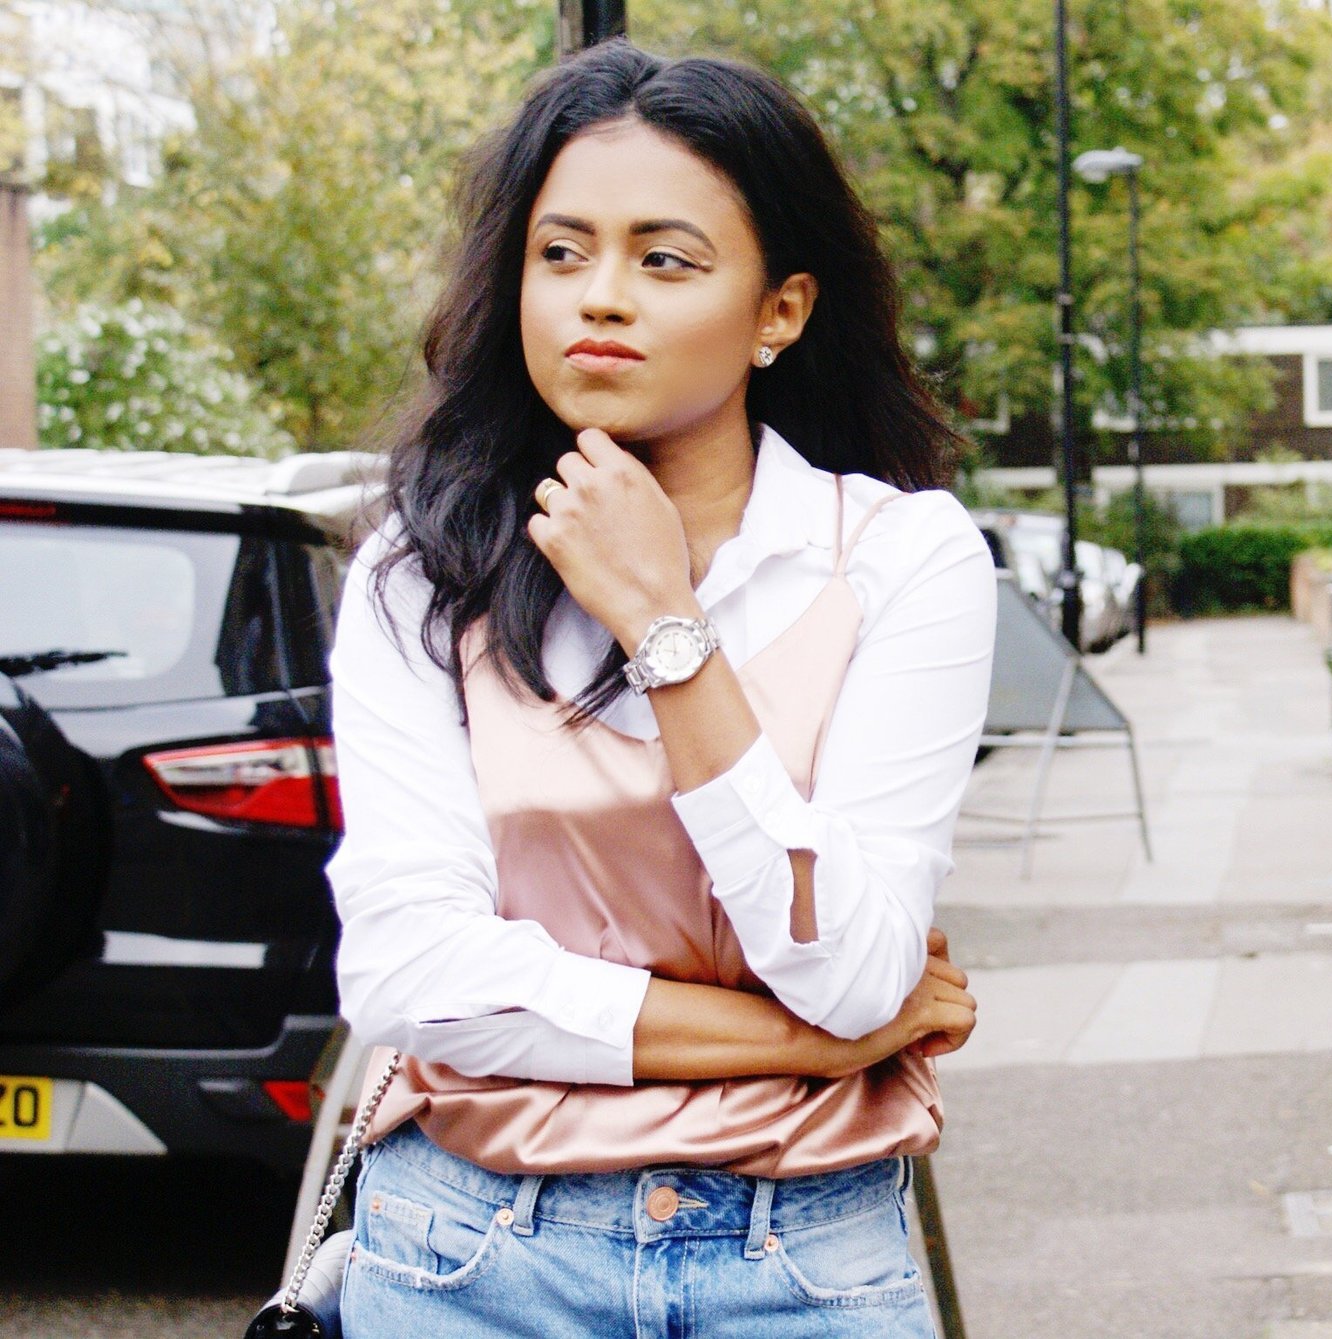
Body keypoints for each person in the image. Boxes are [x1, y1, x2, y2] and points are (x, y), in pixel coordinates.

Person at [326, 40, 995, 1337]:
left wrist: (664, 624)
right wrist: (799, 1046)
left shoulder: (900, 563)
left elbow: (853, 976)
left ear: (780, 311)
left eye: (665, 259)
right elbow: (414, 976)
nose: (602, 298)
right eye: (561, 252)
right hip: (471, 1256)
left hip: (800, 1266)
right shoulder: (421, 577)